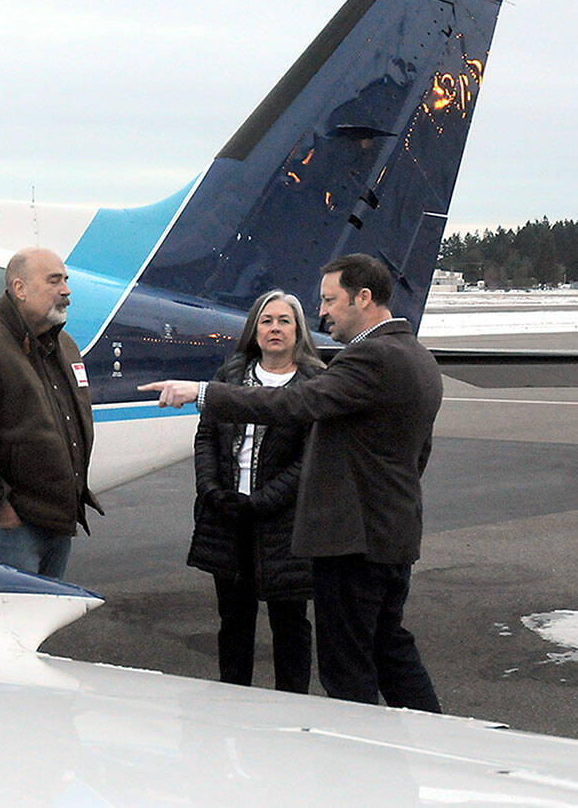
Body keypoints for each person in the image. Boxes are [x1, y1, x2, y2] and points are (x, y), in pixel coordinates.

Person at [141, 254, 442, 712]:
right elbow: (416, 454)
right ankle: (435, 739)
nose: (322, 312)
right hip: (389, 532)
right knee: (388, 648)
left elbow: (296, 403)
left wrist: (202, 393)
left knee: (347, 668)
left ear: (363, 298)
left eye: (329, 299)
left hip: (353, 541)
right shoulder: (414, 354)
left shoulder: (372, 356)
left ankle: (355, 762)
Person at [190, 289, 323, 693]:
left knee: (290, 623)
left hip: (283, 524)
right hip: (228, 519)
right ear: (254, 329)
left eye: (284, 321)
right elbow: (206, 436)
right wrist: (212, 490)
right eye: (267, 321)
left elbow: (311, 459)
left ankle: (292, 706)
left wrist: (264, 501)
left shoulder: (315, 382)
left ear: (298, 330)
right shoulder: (231, 374)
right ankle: (233, 700)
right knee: (233, 620)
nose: (275, 329)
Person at [0, 246, 101, 578]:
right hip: (12, 529)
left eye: (66, 280)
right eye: (54, 280)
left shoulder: (65, 346)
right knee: (12, 621)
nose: (66, 290)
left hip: (58, 520)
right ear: (20, 289)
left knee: (44, 619)